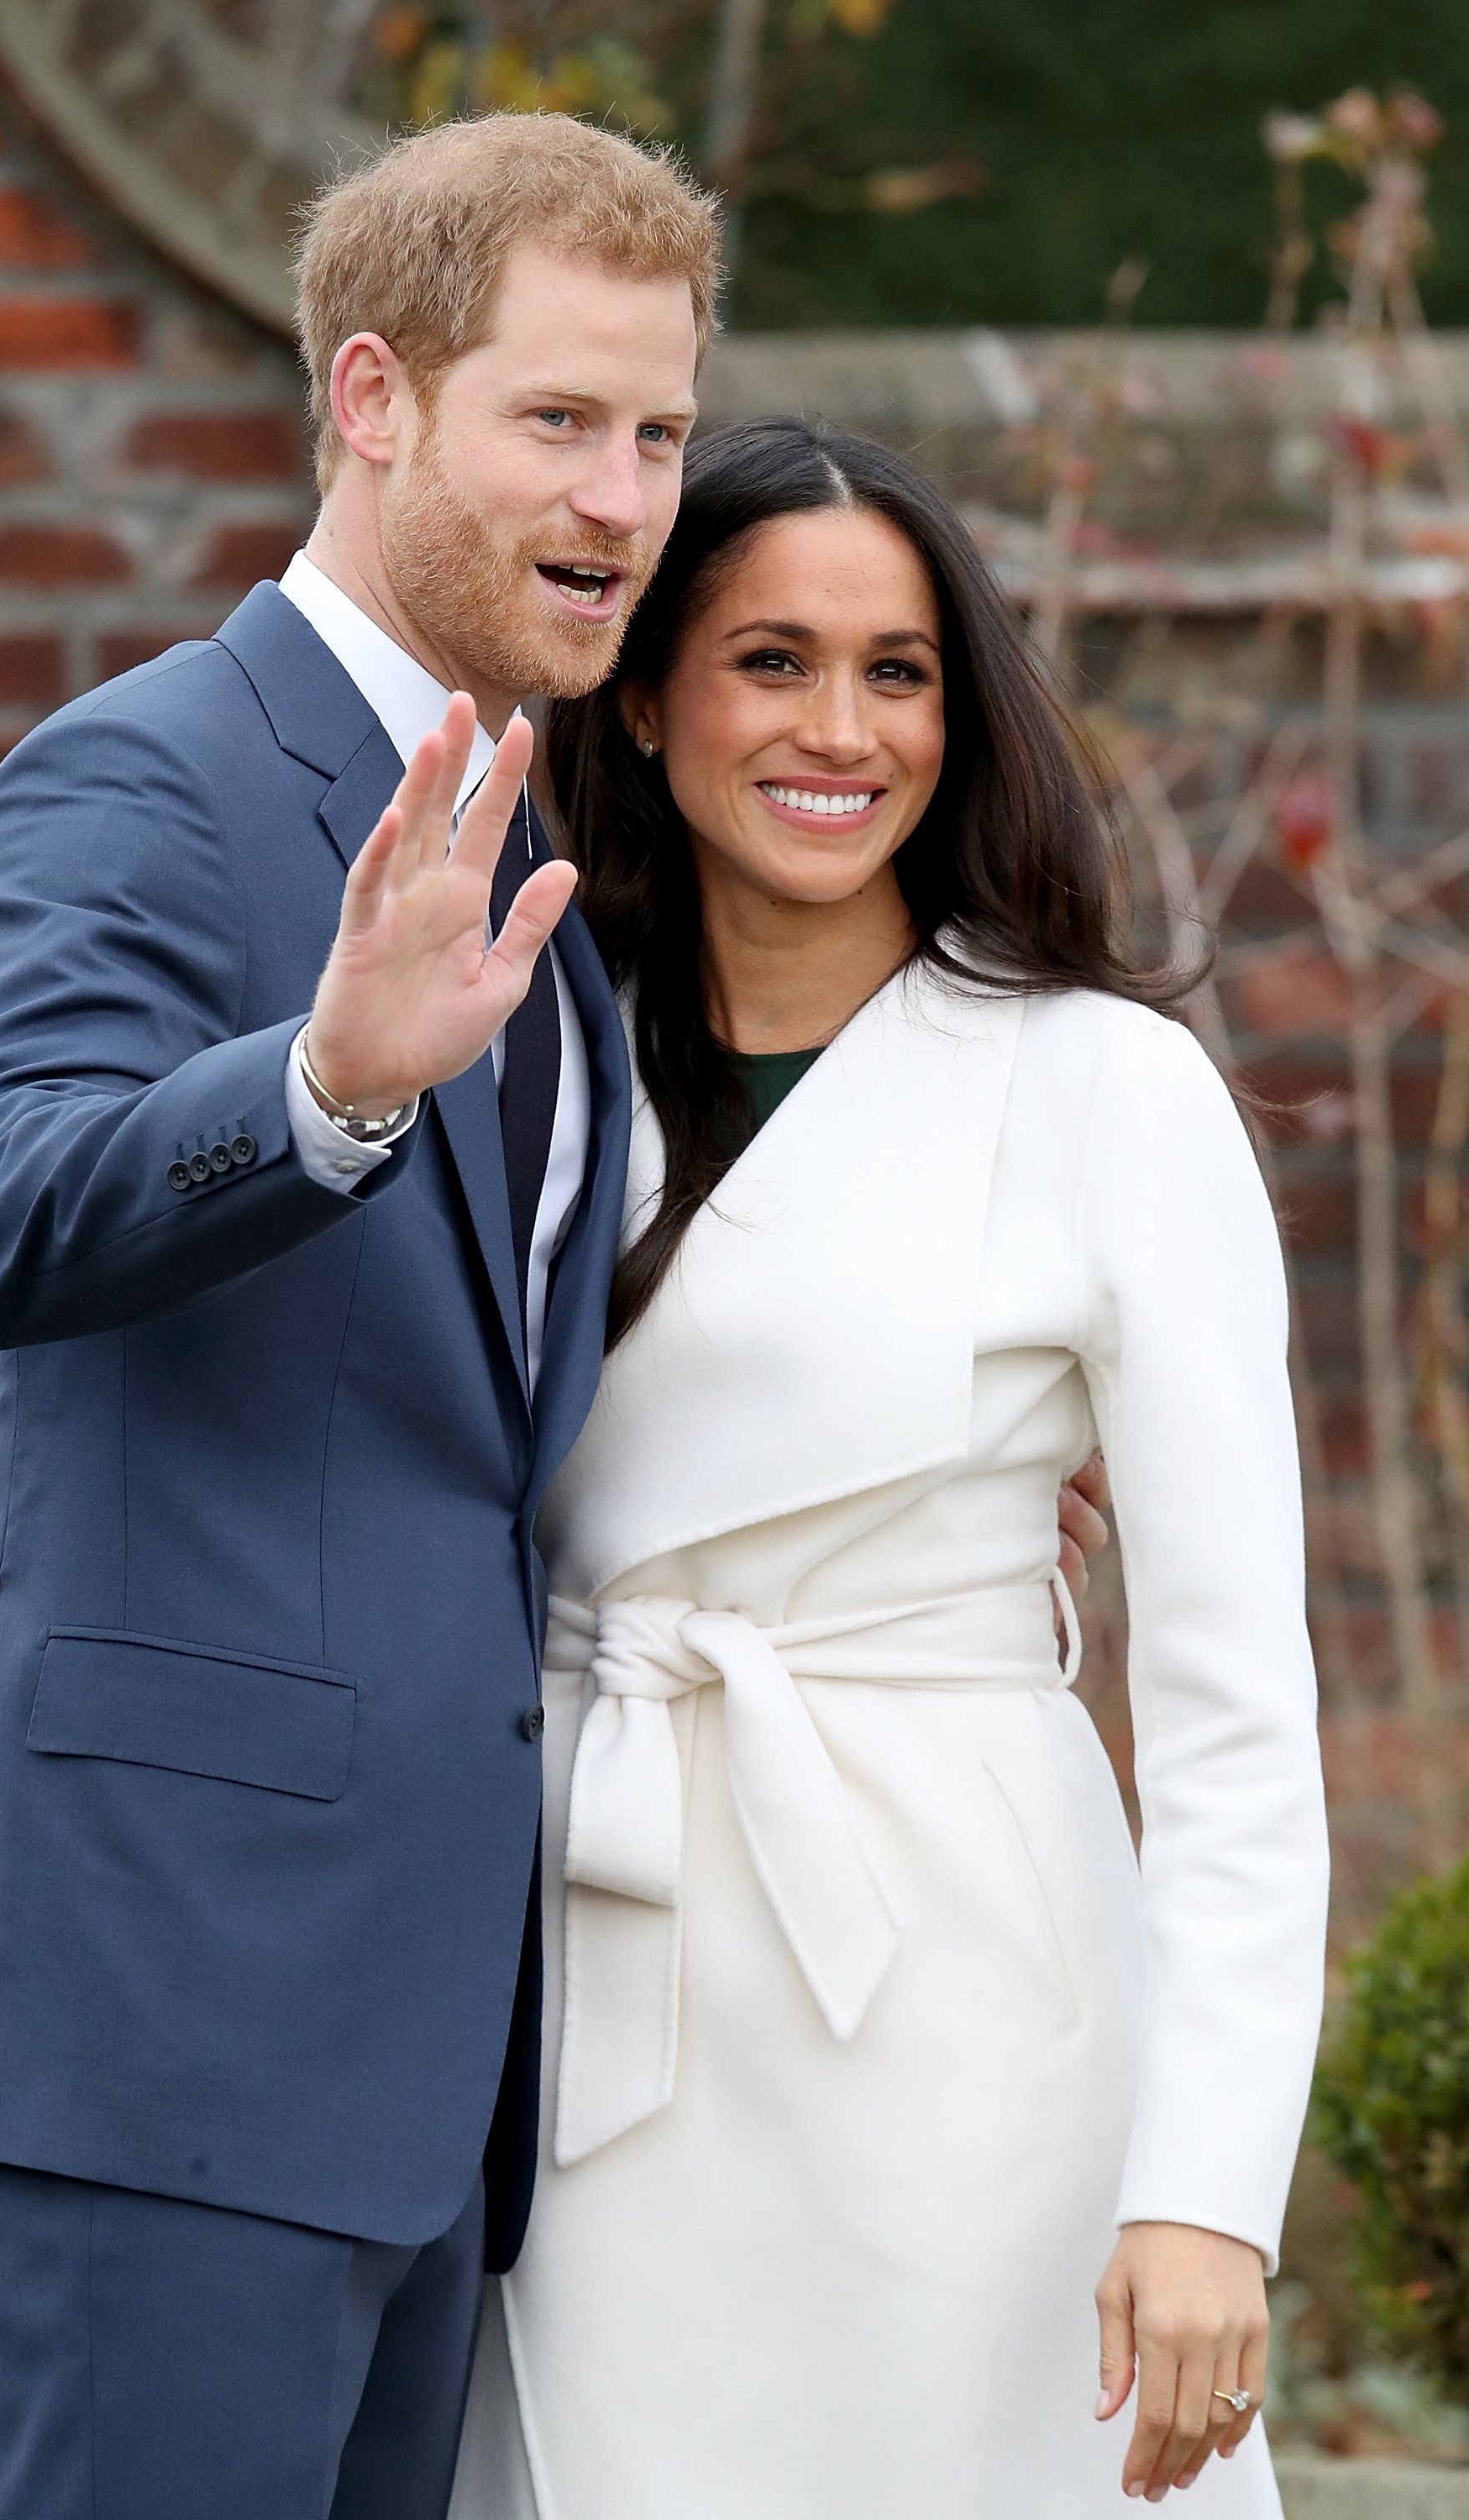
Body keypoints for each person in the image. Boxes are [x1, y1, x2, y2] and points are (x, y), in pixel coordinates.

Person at [0, 114, 716, 2520]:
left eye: (658, 432)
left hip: (432, 2058)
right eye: (558, 418)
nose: (626, 494)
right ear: (370, 400)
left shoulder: (555, 855)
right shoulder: (138, 777)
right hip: (169, 2028)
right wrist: (326, 1085)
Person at [449, 418, 1330, 2519]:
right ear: (646, 697)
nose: (838, 729)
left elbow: (1232, 1710)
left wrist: (1210, 2190)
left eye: (898, 670)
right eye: (768, 660)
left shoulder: (1102, 1087)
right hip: (597, 1978)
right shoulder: (522, 1062)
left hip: (970, 1995)